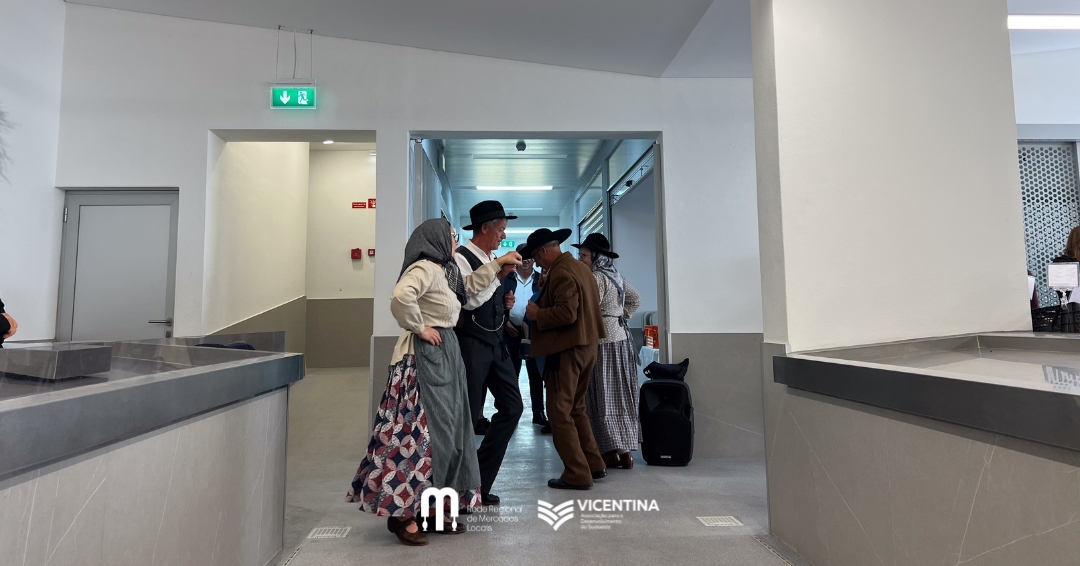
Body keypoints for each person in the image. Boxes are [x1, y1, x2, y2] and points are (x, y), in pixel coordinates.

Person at [348, 219, 520, 546]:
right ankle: (403, 514)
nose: (455, 241)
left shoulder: (445, 271)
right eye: (452, 237)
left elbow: (469, 287)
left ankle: (431, 508)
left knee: (448, 435)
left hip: (445, 353)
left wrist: (497, 265)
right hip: (424, 358)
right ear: (437, 239)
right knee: (418, 434)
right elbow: (401, 296)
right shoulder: (425, 267)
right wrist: (420, 327)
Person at [523, 228, 607, 490]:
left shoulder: (561, 272)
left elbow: (568, 313)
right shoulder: (580, 268)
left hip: (567, 350)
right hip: (587, 346)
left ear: (544, 250)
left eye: (536, 257)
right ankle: (594, 463)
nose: (537, 263)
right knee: (576, 408)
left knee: (559, 412)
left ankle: (577, 473)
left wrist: (537, 314)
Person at [454, 201, 524, 506]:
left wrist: (504, 306)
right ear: (485, 228)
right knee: (468, 417)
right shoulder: (461, 259)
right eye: (501, 229)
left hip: (497, 344)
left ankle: (480, 482)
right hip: (471, 345)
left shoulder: (493, 259)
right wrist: (496, 274)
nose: (503, 236)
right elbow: (468, 299)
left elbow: (487, 297)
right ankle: (460, 491)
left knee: (513, 407)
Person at [573, 233, 642, 470]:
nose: (580, 259)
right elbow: (635, 299)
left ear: (596, 257)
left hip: (603, 343)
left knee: (603, 396)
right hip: (621, 340)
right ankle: (624, 451)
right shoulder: (616, 276)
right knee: (620, 396)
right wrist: (619, 317)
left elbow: (587, 308)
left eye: (584, 255)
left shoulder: (596, 278)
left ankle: (609, 450)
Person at [503, 243, 547, 429]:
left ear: (534, 260)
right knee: (511, 374)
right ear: (516, 259)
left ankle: (538, 412)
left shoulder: (541, 279)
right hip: (510, 331)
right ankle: (510, 413)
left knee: (535, 375)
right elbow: (497, 302)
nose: (526, 260)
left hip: (534, 334)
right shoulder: (507, 278)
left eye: (530, 257)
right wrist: (505, 322)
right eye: (522, 257)